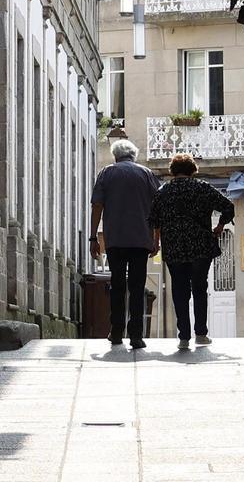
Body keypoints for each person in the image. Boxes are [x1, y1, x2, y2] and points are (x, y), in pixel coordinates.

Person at [148, 152, 235, 350]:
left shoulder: (163, 192)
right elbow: (228, 207)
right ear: (192, 170)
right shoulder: (202, 188)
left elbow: (154, 220)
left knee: (179, 290)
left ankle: (184, 337)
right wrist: (220, 227)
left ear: (173, 171)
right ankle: (201, 334)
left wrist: (157, 242)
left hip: (174, 247)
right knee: (199, 289)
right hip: (200, 247)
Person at [89, 139, 161, 350]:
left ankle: (117, 331)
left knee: (118, 286)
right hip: (141, 240)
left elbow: (97, 206)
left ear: (115, 156)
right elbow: (157, 209)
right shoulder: (146, 174)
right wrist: (156, 239)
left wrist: (94, 237)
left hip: (116, 240)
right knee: (138, 287)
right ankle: (137, 335)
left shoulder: (106, 173)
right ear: (133, 155)